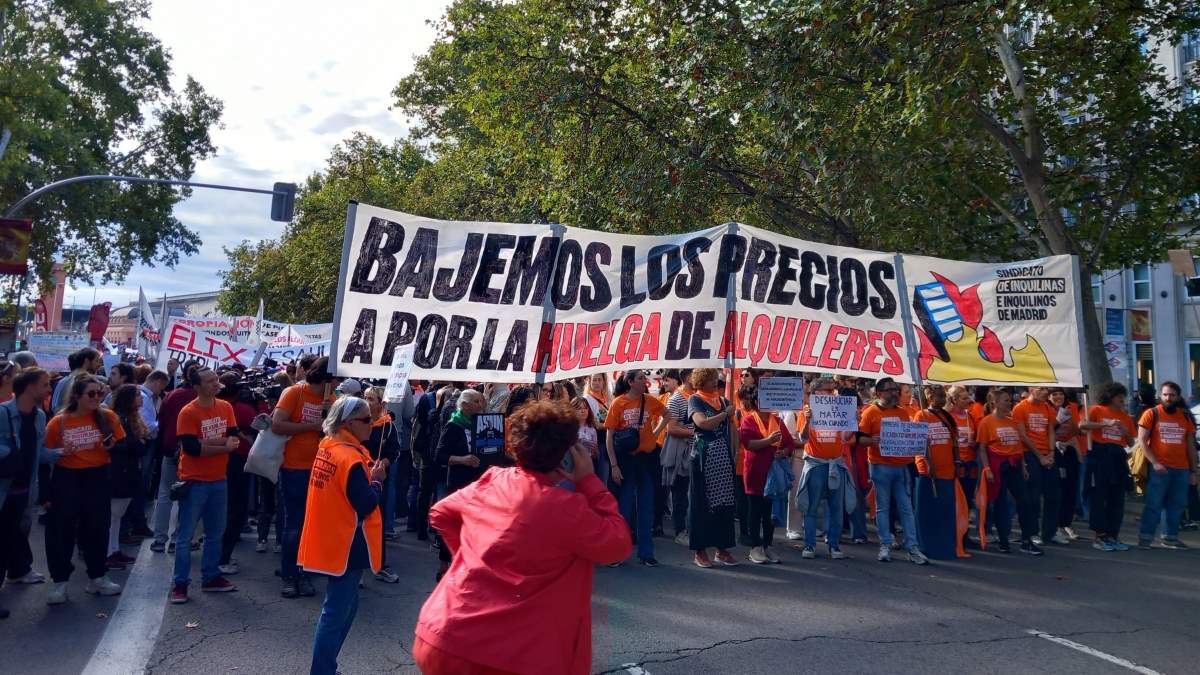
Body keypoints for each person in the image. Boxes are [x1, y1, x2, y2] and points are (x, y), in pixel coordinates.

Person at [413, 400, 631, 675]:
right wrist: (589, 481)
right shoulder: (565, 507)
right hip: (508, 657)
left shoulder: (493, 480)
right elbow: (618, 543)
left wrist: (470, 557)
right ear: (567, 453)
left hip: (444, 635)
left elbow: (441, 513)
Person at [298, 396, 387, 675]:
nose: (371, 424)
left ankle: (326, 667)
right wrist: (377, 481)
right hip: (346, 540)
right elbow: (366, 502)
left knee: (343, 610)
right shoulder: (347, 456)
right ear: (349, 423)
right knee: (337, 613)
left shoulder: (328, 446)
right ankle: (322, 670)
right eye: (365, 419)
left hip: (335, 536)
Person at [43, 374, 126, 604]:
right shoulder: (58, 422)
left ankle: (97, 577)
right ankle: (60, 582)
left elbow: (125, 443)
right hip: (67, 478)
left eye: (100, 393)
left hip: (98, 477)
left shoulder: (108, 417)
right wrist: (61, 453)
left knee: (97, 528)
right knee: (62, 531)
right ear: (77, 396)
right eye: (91, 394)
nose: (97, 398)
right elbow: (46, 455)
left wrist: (113, 447)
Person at [170, 368, 239, 603]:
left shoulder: (225, 407)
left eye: (216, 380)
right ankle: (180, 584)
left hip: (219, 479)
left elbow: (234, 437)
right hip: (194, 480)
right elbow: (191, 448)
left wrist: (208, 443)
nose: (215, 384)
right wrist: (222, 447)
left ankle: (211, 577)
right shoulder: (188, 412)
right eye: (209, 381)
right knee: (185, 536)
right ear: (197, 386)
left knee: (215, 533)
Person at [272, 356, 333, 599]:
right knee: (294, 526)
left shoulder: (332, 399)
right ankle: (289, 576)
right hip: (294, 468)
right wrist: (313, 426)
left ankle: (305, 573)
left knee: (312, 526)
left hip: (321, 469)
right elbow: (277, 425)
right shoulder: (294, 393)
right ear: (327, 376)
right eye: (336, 378)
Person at [0, 368, 54, 618]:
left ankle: (14, 574)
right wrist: (9, 454)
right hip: (4, 489)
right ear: (30, 387)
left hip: (24, 491)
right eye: (44, 384)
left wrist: (63, 453)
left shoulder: (40, 416)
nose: (49, 389)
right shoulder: (3, 413)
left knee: (8, 541)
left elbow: (39, 452)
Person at [860, 378, 929, 565]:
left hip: (902, 467)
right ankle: (885, 544)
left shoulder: (902, 412)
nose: (894, 393)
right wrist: (871, 441)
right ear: (879, 393)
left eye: (895, 390)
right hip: (880, 466)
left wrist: (920, 440)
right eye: (890, 390)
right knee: (883, 507)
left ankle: (912, 548)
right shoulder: (870, 413)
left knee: (906, 508)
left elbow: (907, 436)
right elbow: (860, 439)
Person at [604, 370, 668, 567]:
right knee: (623, 509)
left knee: (646, 507)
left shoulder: (650, 400)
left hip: (646, 459)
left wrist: (655, 433)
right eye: (640, 378)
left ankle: (646, 553)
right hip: (625, 461)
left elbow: (667, 415)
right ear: (630, 382)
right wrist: (614, 465)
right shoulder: (618, 403)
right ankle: (618, 552)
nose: (645, 381)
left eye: (644, 378)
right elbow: (609, 437)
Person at [794, 377, 855, 559]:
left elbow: (845, 437)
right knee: (812, 507)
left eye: (833, 390)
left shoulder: (840, 409)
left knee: (836, 508)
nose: (832, 393)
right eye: (828, 391)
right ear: (816, 394)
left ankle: (834, 545)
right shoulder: (806, 411)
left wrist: (853, 421)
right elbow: (803, 438)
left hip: (835, 464)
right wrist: (807, 420)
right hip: (816, 465)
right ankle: (810, 545)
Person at [976, 389, 1042, 556]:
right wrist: (987, 469)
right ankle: (1003, 540)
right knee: (1000, 504)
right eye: (1006, 400)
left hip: (1015, 466)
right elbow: (982, 448)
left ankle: (1027, 540)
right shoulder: (986, 422)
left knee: (1025, 501)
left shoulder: (1012, 421)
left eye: (1010, 400)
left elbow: (1018, 446)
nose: (1009, 403)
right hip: (998, 468)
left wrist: (1024, 466)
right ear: (995, 403)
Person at [432, 389, 489, 578]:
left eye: (481, 401)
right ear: (464, 405)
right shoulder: (453, 426)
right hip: (459, 483)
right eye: (476, 401)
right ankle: (445, 564)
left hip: (479, 483)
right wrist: (463, 459)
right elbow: (439, 455)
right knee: (455, 524)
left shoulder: (483, 424)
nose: (481, 405)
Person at [686, 368, 739, 568]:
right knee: (701, 503)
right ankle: (700, 551)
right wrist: (724, 414)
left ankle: (722, 548)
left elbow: (731, 428)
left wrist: (735, 450)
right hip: (703, 457)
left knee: (724, 502)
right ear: (702, 381)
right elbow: (702, 423)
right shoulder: (695, 400)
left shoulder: (723, 401)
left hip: (723, 458)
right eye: (712, 379)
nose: (716, 382)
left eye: (716, 379)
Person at [1136, 381, 1198, 550]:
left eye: (1171, 395)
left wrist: (1193, 470)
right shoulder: (1151, 413)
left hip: (1182, 469)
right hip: (1160, 468)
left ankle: (1170, 537)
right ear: (1160, 396)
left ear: (1178, 397)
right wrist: (1155, 463)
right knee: (1153, 504)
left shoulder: (1185, 416)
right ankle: (1145, 538)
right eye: (1165, 394)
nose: (1168, 398)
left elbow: (1191, 445)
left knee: (1176, 505)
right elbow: (1142, 441)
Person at [737, 383, 794, 563]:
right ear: (755, 401)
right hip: (755, 472)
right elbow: (749, 444)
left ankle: (767, 545)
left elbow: (789, 443)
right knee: (755, 511)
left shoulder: (776, 420)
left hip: (774, 473)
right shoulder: (749, 420)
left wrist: (783, 452)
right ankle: (755, 547)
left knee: (770, 512)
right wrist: (768, 441)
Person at [151, 361, 200, 553]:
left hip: (170, 449)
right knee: (186, 497)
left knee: (165, 495)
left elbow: (161, 422)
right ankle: (176, 539)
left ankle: (159, 539)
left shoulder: (172, 395)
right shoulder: (201, 399)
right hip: (191, 453)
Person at [1083, 382, 1135, 551]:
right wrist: (1106, 424)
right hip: (1099, 454)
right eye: (1119, 396)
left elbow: (1131, 441)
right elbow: (1083, 426)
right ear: (1110, 396)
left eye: (1123, 396)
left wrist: (1125, 430)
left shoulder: (1125, 416)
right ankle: (1099, 536)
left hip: (1118, 455)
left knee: (1117, 498)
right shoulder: (1097, 410)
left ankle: (1113, 535)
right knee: (1099, 496)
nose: (1122, 399)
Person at [217, 373, 258, 576]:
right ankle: (222, 557)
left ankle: (217, 555)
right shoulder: (241, 410)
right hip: (237, 461)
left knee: (220, 510)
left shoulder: (212, 407)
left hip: (217, 463)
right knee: (235, 510)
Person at [913, 385, 959, 560]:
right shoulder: (921, 415)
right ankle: (926, 546)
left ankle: (946, 547)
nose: (943, 399)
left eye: (944, 396)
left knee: (945, 511)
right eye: (939, 396)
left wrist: (957, 461)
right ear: (930, 397)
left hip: (947, 470)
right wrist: (929, 463)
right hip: (927, 471)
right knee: (926, 511)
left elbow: (954, 441)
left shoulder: (947, 416)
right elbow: (921, 442)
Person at [104, 384, 148, 571]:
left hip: (127, 471)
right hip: (120, 472)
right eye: (137, 395)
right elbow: (118, 445)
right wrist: (137, 444)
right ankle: (108, 552)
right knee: (112, 516)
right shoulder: (120, 419)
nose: (141, 398)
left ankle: (113, 550)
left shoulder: (129, 418)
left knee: (117, 516)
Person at [361, 386, 401, 583]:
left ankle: (380, 564)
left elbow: (394, 451)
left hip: (378, 476)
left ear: (381, 403)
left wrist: (382, 463)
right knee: (357, 520)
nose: (367, 402)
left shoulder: (388, 425)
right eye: (365, 397)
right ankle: (357, 565)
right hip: (358, 474)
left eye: (371, 399)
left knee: (378, 519)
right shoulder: (358, 421)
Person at [1013, 387, 1060, 547]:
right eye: (1041, 389)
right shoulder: (1020, 408)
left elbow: (1051, 431)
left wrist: (1052, 453)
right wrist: (1040, 456)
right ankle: (1032, 532)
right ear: (1032, 390)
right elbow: (1022, 435)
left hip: (1048, 454)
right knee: (1033, 496)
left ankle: (1049, 532)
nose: (1045, 392)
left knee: (1053, 495)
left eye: (1047, 389)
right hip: (1030, 454)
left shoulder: (1047, 407)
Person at [662, 370, 694, 546]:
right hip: (680, 451)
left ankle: (691, 529)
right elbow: (671, 428)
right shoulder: (676, 398)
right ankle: (680, 531)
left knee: (692, 493)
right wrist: (695, 433)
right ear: (688, 377)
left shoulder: (696, 396)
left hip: (693, 450)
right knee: (680, 492)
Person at [946, 385, 978, 547]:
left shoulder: (970, 417)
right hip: (954, 465)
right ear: (954, 400)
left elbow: (978, 437)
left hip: (970, 465)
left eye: (968, 397)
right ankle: (952, 535)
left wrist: (974, 442)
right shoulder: (947, 416)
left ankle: (964, 536)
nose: (968, 401)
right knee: (954, 503)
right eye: (964, 398)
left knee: (966, 502)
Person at [1049, 388, 1082, 543]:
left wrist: (1072, 421)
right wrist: (1058, 421)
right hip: (1053, 451)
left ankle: (1066, 524)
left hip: (1069, 450)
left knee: (1071, 489)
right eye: (1054, 394)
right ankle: (1055, 526)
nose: (1058, 396)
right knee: (1057, 490)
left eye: (1060, 393)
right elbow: (1046, 432)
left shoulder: (1071, 408)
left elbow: (1077, 431)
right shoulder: (1046, 409)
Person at [51, 347, 103, 413]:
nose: (99, 365)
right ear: (87, 361)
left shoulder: (98, 382)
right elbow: (55, 408)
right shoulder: (64, 382)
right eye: (97, 361)